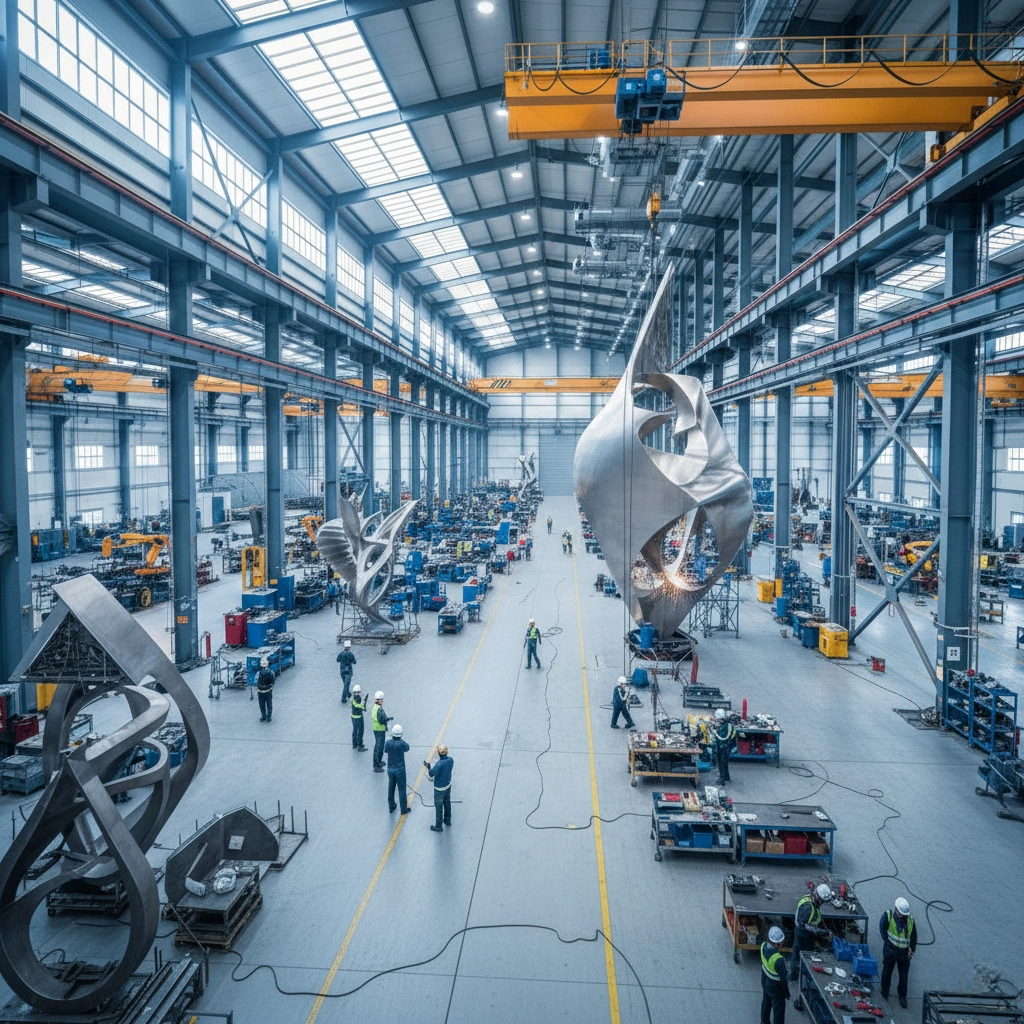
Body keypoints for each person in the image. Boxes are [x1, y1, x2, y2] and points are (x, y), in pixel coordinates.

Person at [791, 884, 832, 1004]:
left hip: (803, 933)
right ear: (818, 897)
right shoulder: (808, 908)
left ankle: (797, 974)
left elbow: (816, 918)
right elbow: (807, 926)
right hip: (803, 935)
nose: (823, 903)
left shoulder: (810, 900)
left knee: (797, 953)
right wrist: (824, 932)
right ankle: (798, 976)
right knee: (802, 955)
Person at [879, 897, 917, 1008]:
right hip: (890, 951)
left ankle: (902, 996)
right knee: (887, 972)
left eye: (902, 914)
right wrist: (887, 943)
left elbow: (914, 937)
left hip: (904, 954)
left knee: (903, 976)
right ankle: (884, 992)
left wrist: (911, 950)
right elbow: (882, 929)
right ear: (896, 909)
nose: (900, 915)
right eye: (899, 913)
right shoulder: (888, 915)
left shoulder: (910, 921)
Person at [760, 926, 790, 1024]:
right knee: (779, 1011)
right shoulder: (779, 960)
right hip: (775, 987)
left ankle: (764, 1022)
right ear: (778, 944)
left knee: (766, 1003)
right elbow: (783, 980)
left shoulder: (763, 946)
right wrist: (786, 994)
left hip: (764, 981)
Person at [425, 744, 454, 832]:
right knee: (447, 802)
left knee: (438, 807)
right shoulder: (450, 760)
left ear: (438, 753)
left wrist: (428, 767)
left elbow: (431, 774)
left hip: (439, 789)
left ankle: (438, 826)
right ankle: (447, 820)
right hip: (447, 785)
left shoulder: (439, 764)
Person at [385, 724, 411, 815]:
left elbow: (386, 750)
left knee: (391, 788)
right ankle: (403, 809)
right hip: (400, 770)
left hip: (390, 769)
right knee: (402, 789)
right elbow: (407, 748)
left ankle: (391, 806)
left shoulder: (388, 743)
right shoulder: (402, 744)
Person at [714, 708, 737, 785]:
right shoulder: (726, 724)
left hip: (725, 746)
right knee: (725, 762)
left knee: (722, 762)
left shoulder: (726, 726)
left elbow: (722, 738)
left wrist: (714, 732)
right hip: (727, 746)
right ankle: (726, 776)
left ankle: (722, 779)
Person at [371, 691, 391, 772]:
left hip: (378, 729)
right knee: (379, 747)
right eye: (381, 699)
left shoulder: (376, 707)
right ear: (378, 700)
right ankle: (376, 765)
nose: (382, 701)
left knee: (380, 746)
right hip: (379, 729)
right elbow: (380, 720)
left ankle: (378, 761)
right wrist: (386, 720)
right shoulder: (378, 708)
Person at [256, 657, 274, 723]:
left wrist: (260, 686)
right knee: (269, 704)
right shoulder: (271, 673)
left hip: (260, 692)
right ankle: (269, 717)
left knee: (262, 705)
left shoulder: (258, 673)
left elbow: (256, 681)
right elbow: (273, 682)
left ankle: (263, 716)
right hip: (268, 691)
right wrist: (268, 686)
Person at [350, 684, 367, 751]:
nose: (358, 693)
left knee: (355, 731)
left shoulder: (353, 697)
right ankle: (359, 745)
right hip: (358, 717)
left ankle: (355, 744)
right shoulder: (357, 698)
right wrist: (364, 702)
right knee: (360, 731)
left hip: (354, 716)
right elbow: (360, 706)